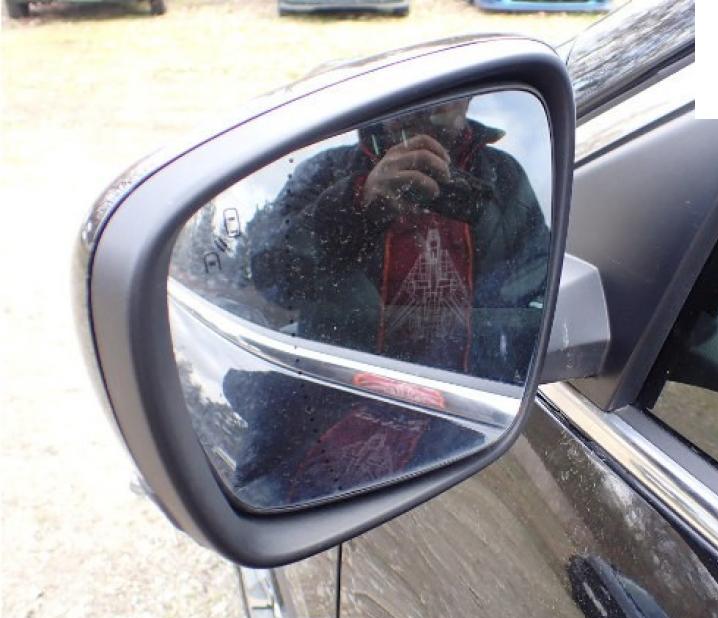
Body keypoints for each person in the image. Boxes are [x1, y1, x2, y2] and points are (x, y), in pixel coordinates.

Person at [221, 97, 550, 506]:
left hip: (471, 417)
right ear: (387, 104)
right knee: (263, 501)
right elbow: (271, 277)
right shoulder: (329, 171)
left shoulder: (502, 176)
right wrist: (355, 204)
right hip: (333, 406)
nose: (426, 109)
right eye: (414, 98)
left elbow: (537, 290)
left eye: (446, 95)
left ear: (469, 98)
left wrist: (479, 211)